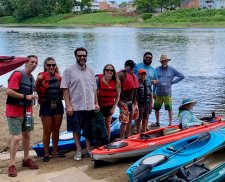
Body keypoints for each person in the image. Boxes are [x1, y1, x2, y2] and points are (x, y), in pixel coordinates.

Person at [61, 47, 99, 161]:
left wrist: (96, 103)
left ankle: (88, 148)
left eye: (84, 55)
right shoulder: (69, 71)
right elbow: (65, 89)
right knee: (76, 130)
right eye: (79, 56)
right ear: (76, 57)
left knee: (88, 130)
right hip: (76, 106)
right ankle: (78, 149)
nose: (82, 57)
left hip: (89, 106)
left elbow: (94, 89)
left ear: (86, 56)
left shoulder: (91, 71)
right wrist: (68, 105)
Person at [6, 55, 39, 177]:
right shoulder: (18, 74)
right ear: (26, 63)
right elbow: (9, 91)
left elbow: (33, 91)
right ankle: (11, 164)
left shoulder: (31, 78)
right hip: (14, 110)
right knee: (16, 138)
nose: (34, 64)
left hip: (28, 111)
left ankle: (26, 160)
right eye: (32, 62)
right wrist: (25, 97)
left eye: (36, 62)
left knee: (27, 135)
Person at [35, 57, 64, 162]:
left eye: (53, 65)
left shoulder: (59, 77)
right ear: (45, 66)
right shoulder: (41, 77)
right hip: (46, 106)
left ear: (56, 66)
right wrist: (40, 99)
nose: (51, 67)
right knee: (47, 130)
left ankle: (55, 152)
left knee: (56, 130)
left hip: (58, 105)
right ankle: (46, 153)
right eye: (49, 65)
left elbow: (64, 91)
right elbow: (36, 88)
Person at [153, 54, 185, 126]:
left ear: (167, 61)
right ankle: (157, 122)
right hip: (158, 93)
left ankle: (170, 123)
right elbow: (154, 82)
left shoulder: (172, 69)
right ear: (160, 62)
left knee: (169, 109)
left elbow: (182, 76)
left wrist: (173, 82)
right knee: (156, 108)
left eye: (165, 61)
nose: (164, 62)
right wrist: (153, 92)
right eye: (162, 61)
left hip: (167, 93)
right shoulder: (156, 70)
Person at [96, 64, 121, 141]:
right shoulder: (98, 79)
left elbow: (118, 96)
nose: (109, 71)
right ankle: (98, 141)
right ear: (104, 71)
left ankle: (107, 141)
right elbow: (94, 93)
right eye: (107, 70)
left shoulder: (116, 82)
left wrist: (113, 108)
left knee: (107, 124)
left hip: (109, 106)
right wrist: (96, 104)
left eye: (111, 70)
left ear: (113, 72)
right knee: (99, 125)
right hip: (99, 106)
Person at [117, 60, 139, 139]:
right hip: (123, 101)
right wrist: (118, 101)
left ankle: (127, 136)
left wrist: (135, 102)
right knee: (124, 121)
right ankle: (122, 138)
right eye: (130, 67)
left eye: (133, 67)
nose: (132, 68)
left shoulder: (133, 76)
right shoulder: (121, 75)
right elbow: (116, 88)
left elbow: (135, 90)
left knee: (130, 120)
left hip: (131, 102)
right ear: (125, 66)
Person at [136, 69, 153, 133]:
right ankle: (138, 132)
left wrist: (152, 103)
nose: (143, 75)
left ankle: (144, 131)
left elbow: (151, 92)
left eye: (144, 74)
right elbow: (135, 94)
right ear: (139, 75)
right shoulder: (137, 82)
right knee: (139, 118)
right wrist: (135, 103)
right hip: (140, 102)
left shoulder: (148, 82)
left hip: (147, 102)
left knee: (145, 117)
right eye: (141, 74)